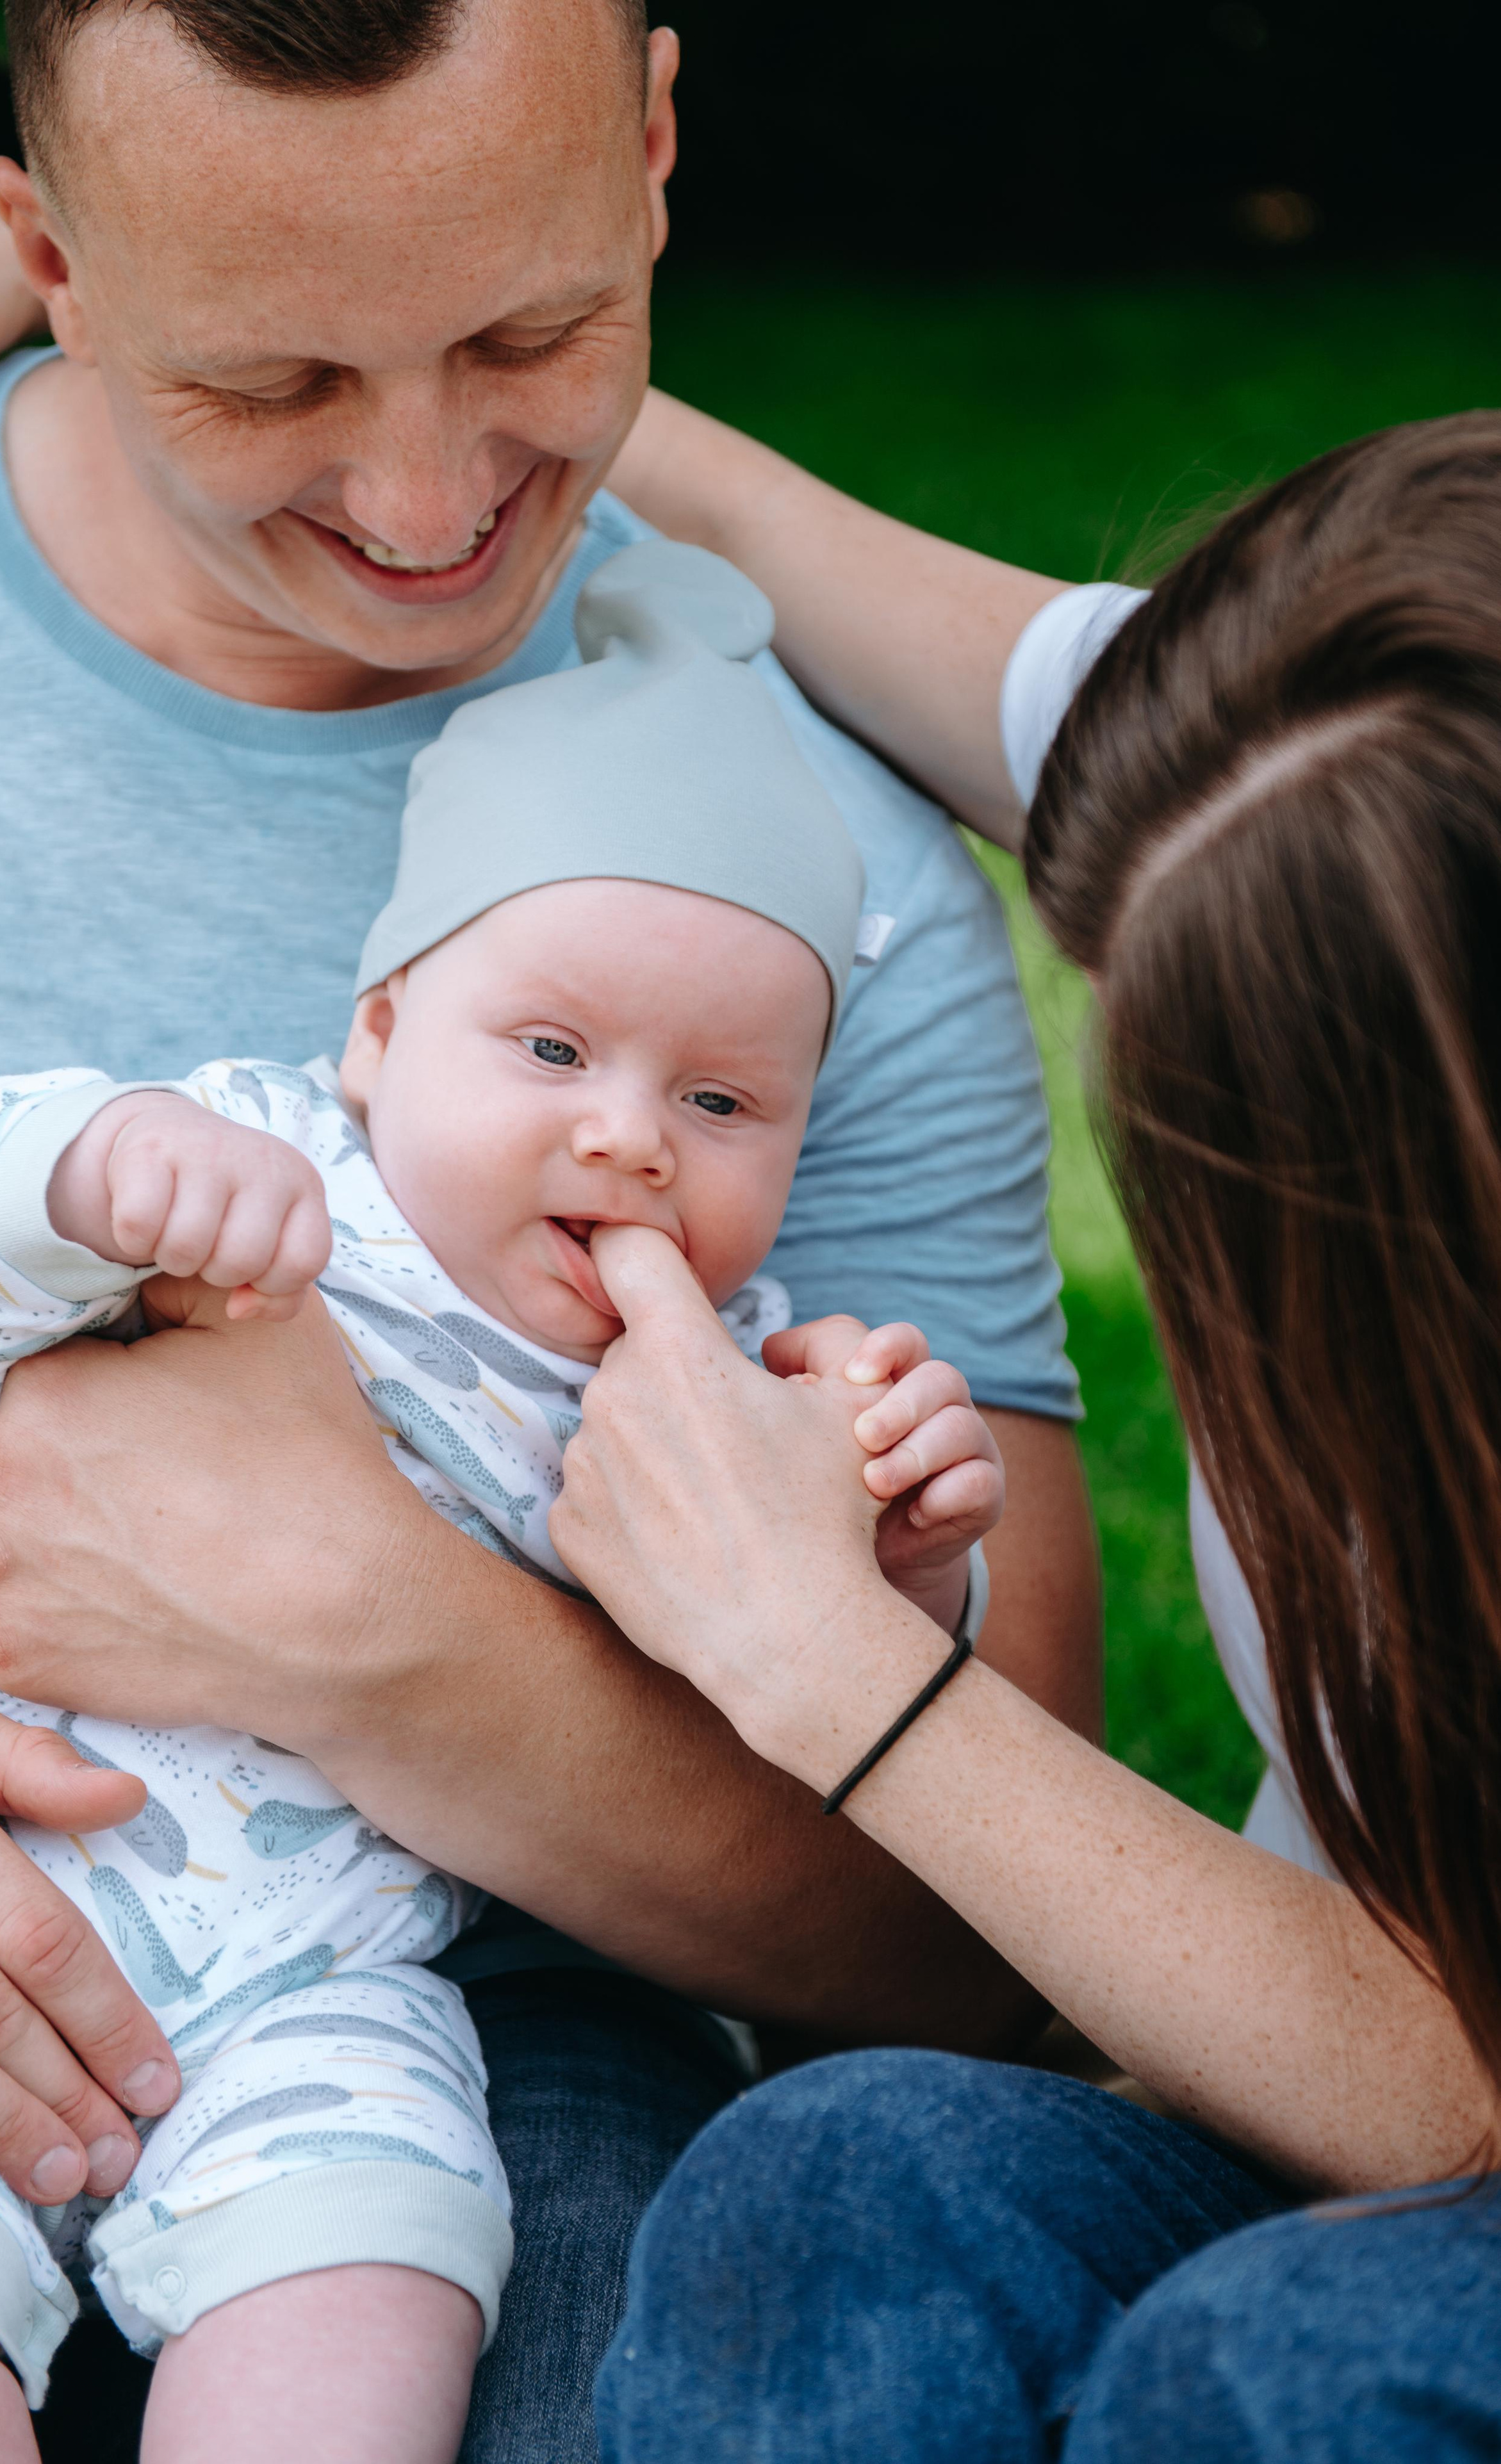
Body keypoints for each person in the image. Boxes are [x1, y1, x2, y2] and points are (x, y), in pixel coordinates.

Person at [0, 6, 1101, 2456]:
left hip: (465, 2018)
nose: (429, 492)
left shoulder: (790, 895)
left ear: (655, 146)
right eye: (269, 381)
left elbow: (1000, 1949)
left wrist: (372, 1637)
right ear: (46, 260)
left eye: (528, 337)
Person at [541, 413, 1501, 2456]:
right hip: (1342, 2103)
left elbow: (1453, 2084)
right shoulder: (1354, 737)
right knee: (840, 2184)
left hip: (1431, 2112)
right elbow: (748, 509)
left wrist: (829, 1664)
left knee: (1284, 2374)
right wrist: (94, 282)